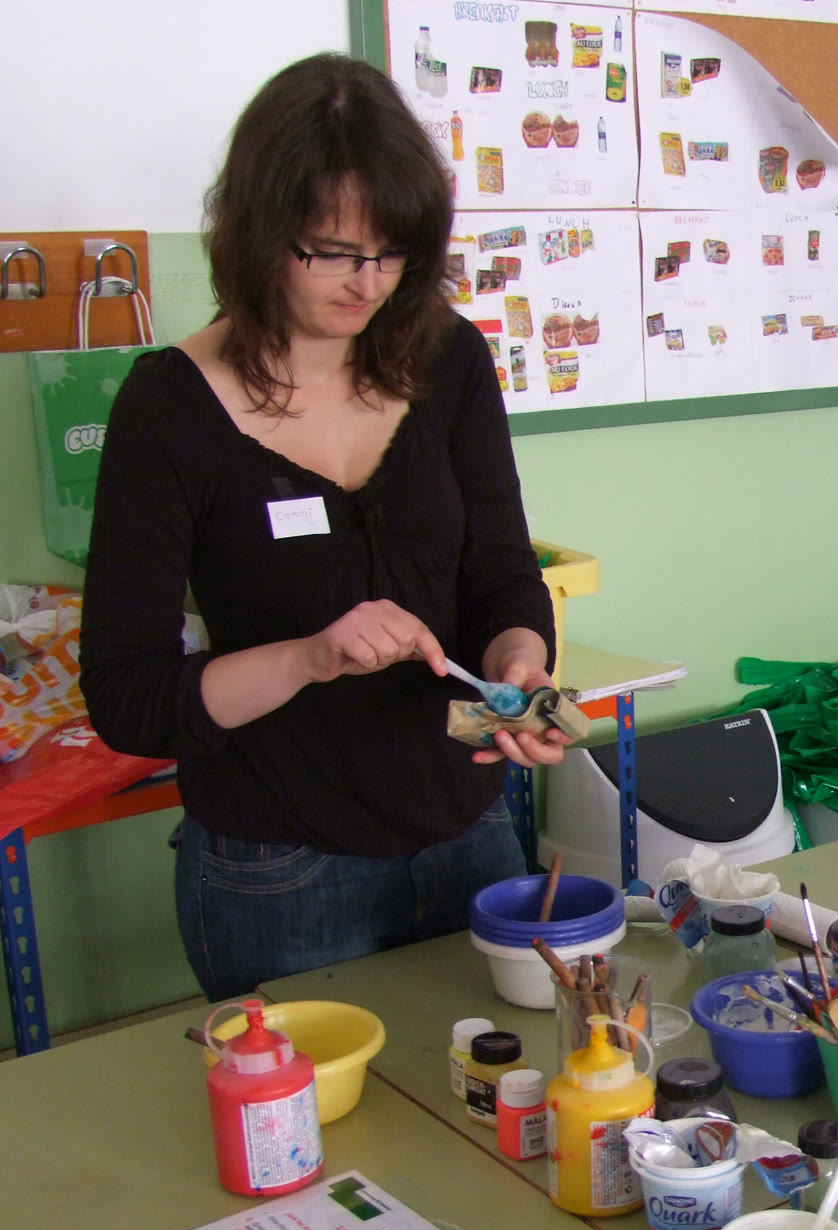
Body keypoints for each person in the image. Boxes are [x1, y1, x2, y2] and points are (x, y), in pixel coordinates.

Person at [80, 55, 570, 1001]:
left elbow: (502, 577)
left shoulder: (450, 361)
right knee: (314, 1103)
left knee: (496, 1087)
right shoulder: (170, 407)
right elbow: (127, 696)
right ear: (259, 233)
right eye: (334, 253)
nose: (368, 284)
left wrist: (521, 667)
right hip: (278, 869)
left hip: (469, 831)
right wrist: (309, 658)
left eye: (394, 253)